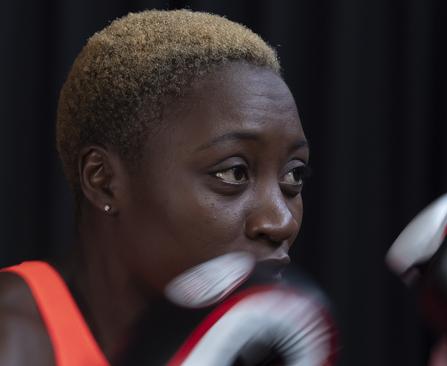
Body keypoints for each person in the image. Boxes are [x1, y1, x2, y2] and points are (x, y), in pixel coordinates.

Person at [0, 9, 309, 365]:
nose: (280, 221)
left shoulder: (236, 347)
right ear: (104, 181)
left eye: (293, 176)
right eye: (234, 173)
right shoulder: (15, 340)